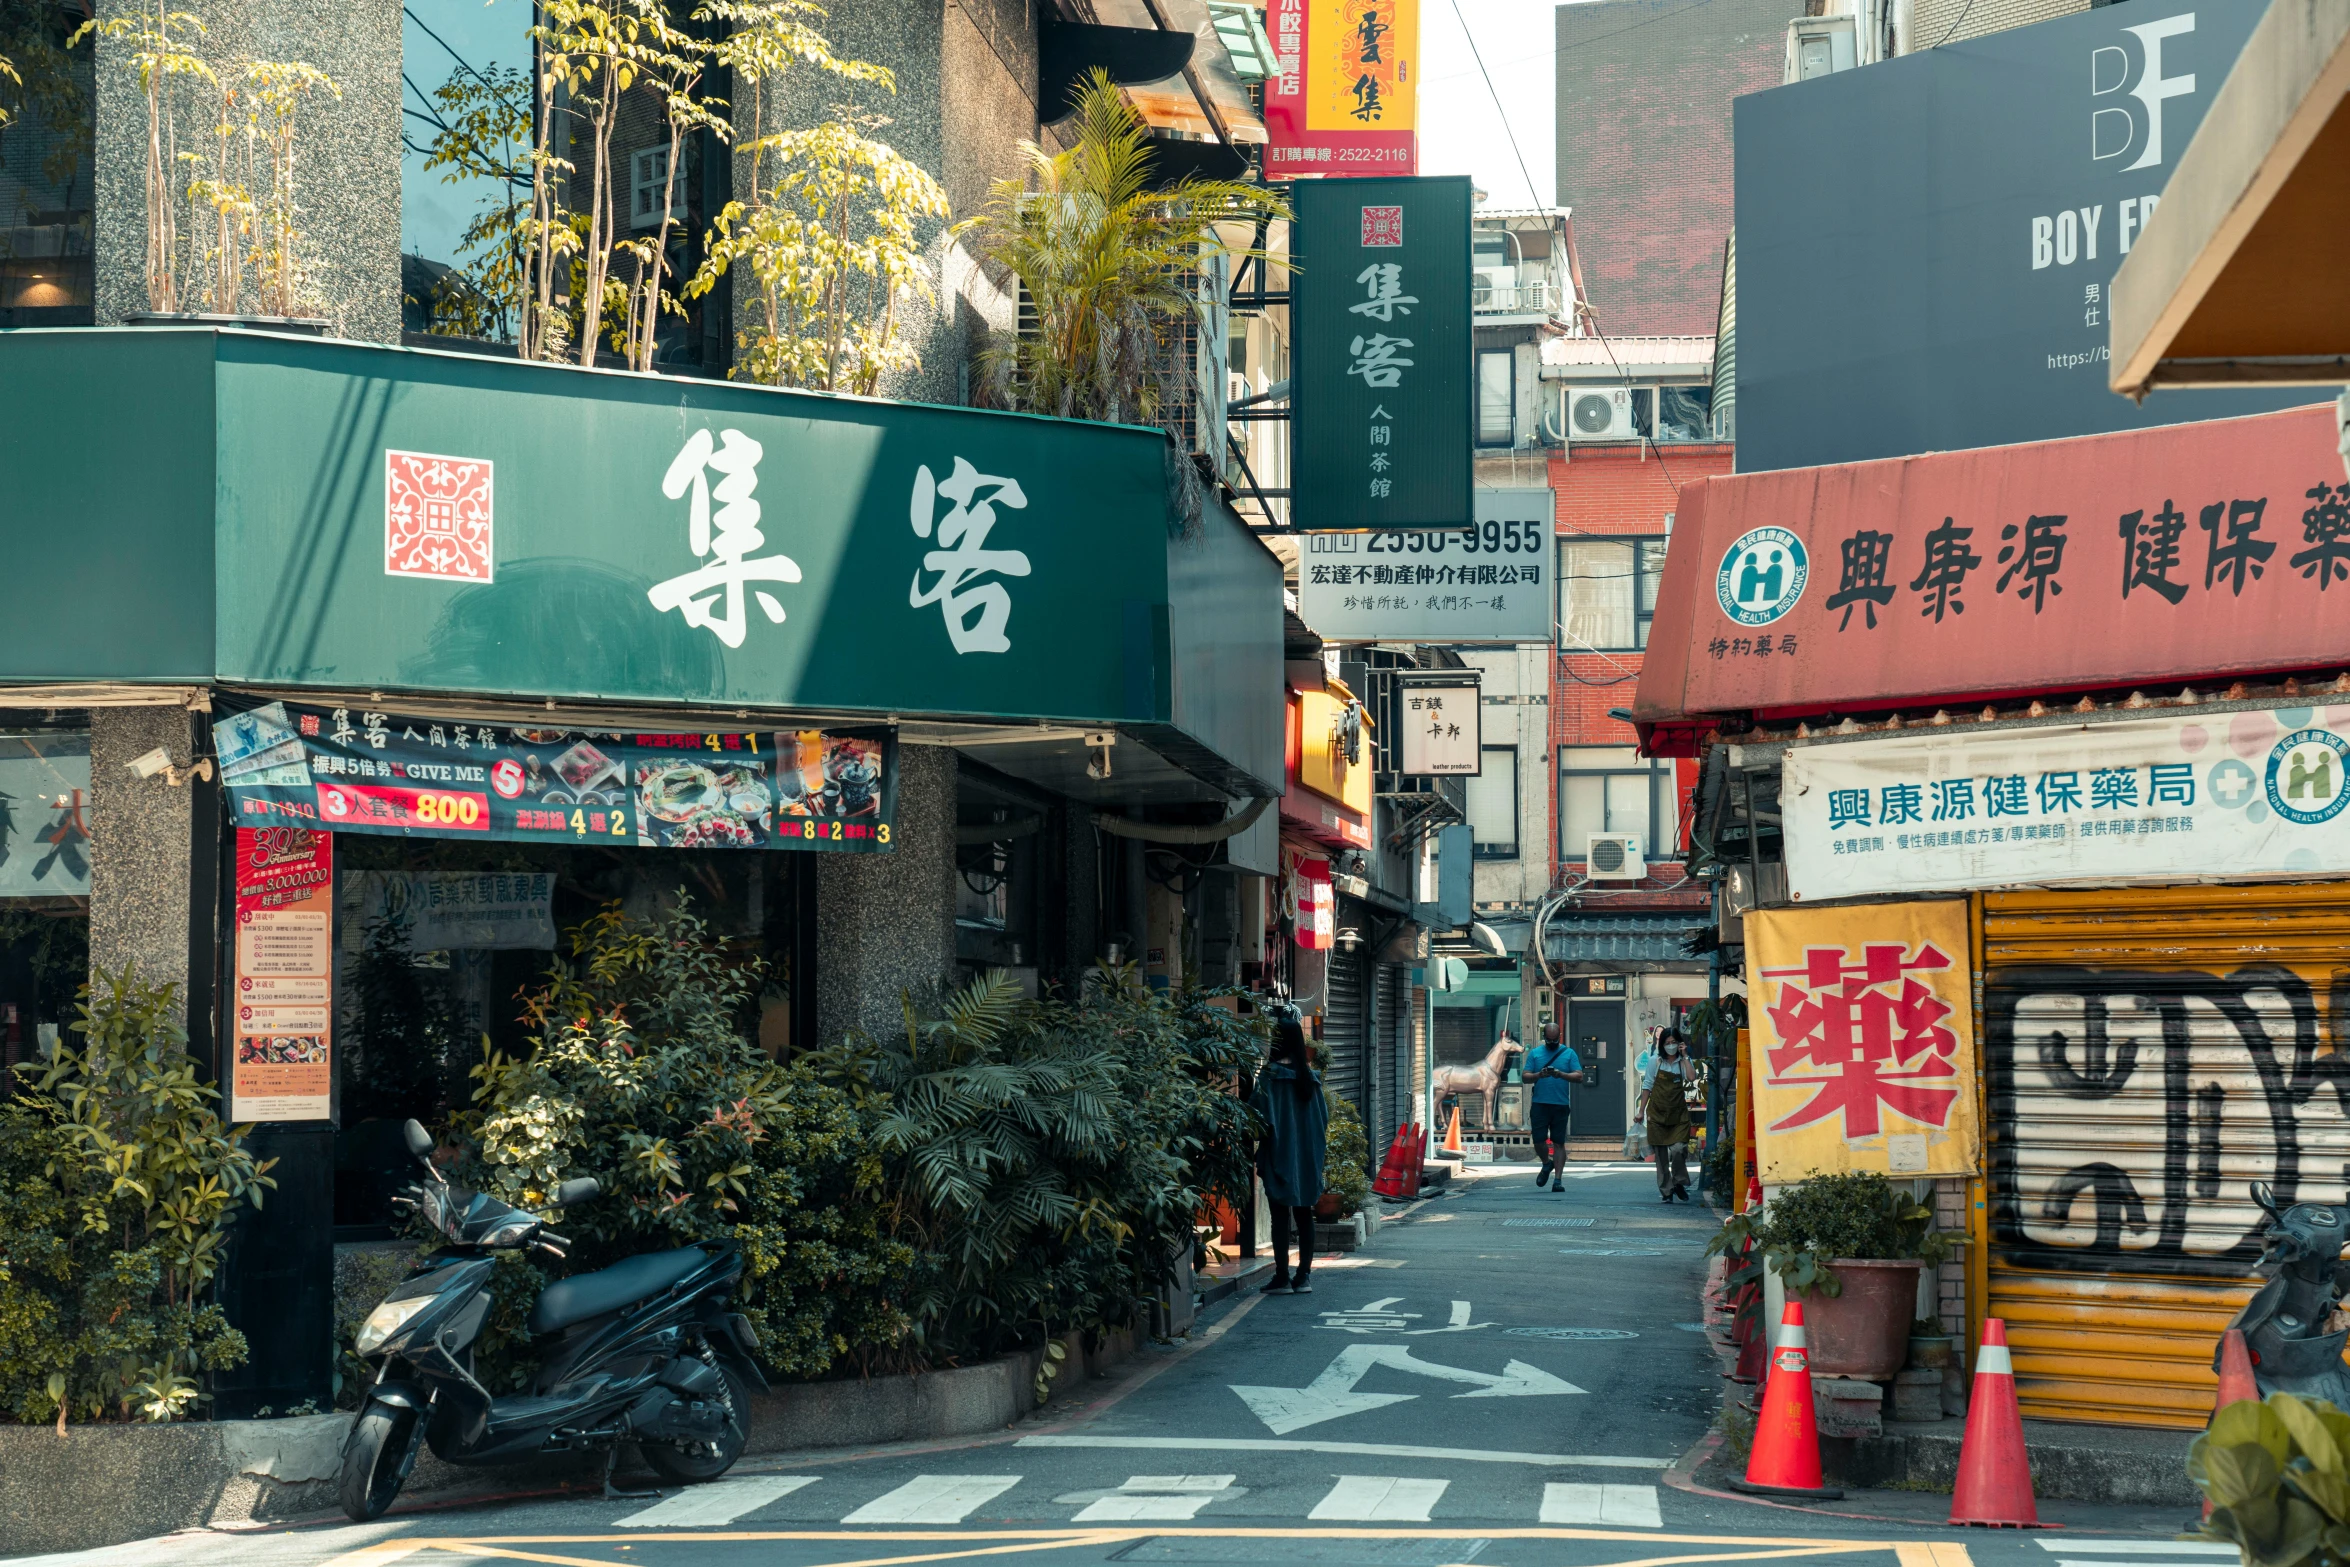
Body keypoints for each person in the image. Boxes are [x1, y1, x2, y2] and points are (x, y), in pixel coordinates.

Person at [1250, 1013, 1331, 1294]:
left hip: (1279, 1154)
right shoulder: (1311, 1080)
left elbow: (1256, 1118)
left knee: (1280, 1217)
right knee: (1305, 1214)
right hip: (1308, 1156)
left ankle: (1282, 1277)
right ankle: (1304, 1277)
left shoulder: (1270, 1077)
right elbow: (1323, 1120)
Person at [1521, 1019, 1585, 1192]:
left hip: (1560, 1104)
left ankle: (1558, 1180)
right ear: (1544, 1037)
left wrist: (1560, 1074)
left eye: (1555, 1040)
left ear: (1560, 1037)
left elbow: (1579, 1076)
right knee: (1538, 1140)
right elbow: (1525, 1077)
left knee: (1558, 1142)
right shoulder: (1535, 1053)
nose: (1552, 1043)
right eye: (1549, 1041)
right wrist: (1538, 1075)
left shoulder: (1569, 1053)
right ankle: (1546, 1163)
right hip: (1540, 1103)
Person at [1641, 1027, 1693, 1202]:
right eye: (1667, 1043)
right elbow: (1647, 1086)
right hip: (1657, 1114)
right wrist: (1641, 1111)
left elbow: (1692, 1078)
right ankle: (1667, 1191)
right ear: (1662, 1044)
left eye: (1674, 1042)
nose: (1671, 1046)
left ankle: (1678, 1182)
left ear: (1680, 1043)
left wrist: (1685, 1055)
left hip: (1678, 1115)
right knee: (1661, 1156)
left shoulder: (1682, 1062)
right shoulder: (1655, 1061)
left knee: (1679, 1149)